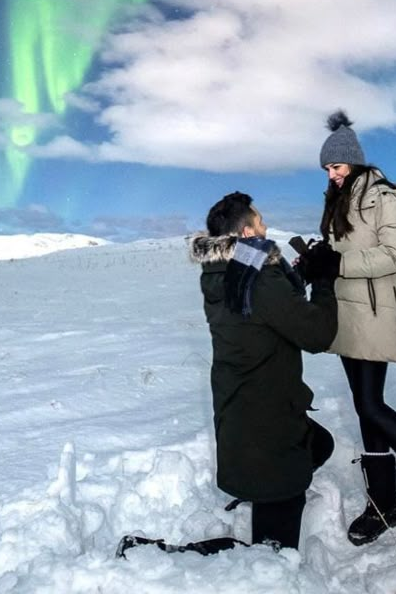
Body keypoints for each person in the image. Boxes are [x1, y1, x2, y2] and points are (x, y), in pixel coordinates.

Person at [117, 191, 339, 561]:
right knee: (274, 560)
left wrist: (299, 274)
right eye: (261, 221)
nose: (266, 226)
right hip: (267, 424)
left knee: (320, 444)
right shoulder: (256, 279)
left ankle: (263, 493)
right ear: (248, 231)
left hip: (245, 410)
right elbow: (317, 334)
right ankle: (169, 558)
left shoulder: (227, 272)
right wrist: (326, 282)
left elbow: (264, 309)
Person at [303, 110, 396, 547]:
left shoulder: (382, 197)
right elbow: (339, 251)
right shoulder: (341, 200)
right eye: (327, 168)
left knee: (371, 405)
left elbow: (395, 255)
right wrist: (317, 261)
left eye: (337, 166)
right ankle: (383, 501)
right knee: (364, 405)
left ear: (355, 161)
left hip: (376, 314)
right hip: (349, 318)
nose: (331, 175)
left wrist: (339, 262)